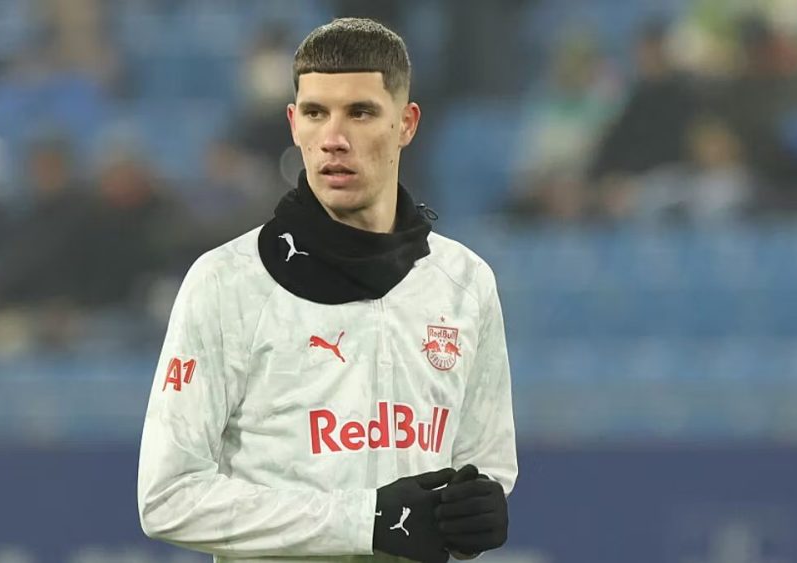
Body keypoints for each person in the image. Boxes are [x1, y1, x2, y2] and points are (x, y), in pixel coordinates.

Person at [137, 18, 517, 563]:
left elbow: (486, 466)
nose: (334, 139)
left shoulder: (465, 282)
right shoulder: (225, 282)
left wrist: (478, 508)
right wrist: (365, 521)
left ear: (406, 124)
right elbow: (167, 499)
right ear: (293, 124)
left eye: (361, 113)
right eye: (316, 113)